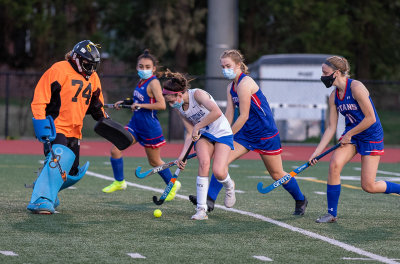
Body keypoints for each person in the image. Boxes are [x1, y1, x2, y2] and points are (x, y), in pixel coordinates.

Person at [190, 49, 308, 215]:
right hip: (245, 134)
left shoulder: (245, 84)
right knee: (221, 162)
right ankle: (209, 199)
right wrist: (220, 132)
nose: (225, 69)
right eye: (222, 66)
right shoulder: (231, 87)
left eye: (228, 65)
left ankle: (300, 199)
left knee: (276, 173)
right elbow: (229, 114)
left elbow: (243, 116)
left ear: (238, 65)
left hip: (265, 133)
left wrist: (227, 136)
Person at [309, 56, 400, 223]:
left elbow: (370, 118)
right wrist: (316, 153)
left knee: (369, 186)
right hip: (352, 134)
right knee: (334, 165)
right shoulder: (333, 96)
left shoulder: (357, 88)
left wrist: (349, 134)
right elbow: (331, 128)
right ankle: (331, 214)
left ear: (336, 72)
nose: (322, 75)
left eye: (325, 72)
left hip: (371, 135)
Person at [29, 40, 107, 214]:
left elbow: (96, 104)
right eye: (88, 63)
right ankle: (41, 199)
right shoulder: (59, 69)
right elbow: (40, 98)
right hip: (56, 127)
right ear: (77, 58)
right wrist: (42, 125)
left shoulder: (93, 78)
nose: (91, 68)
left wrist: (104, 119)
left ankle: (46, 186)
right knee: (59, 160)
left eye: (93, 65)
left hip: (75, 130)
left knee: (71, 172)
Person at [102, 50, 180, 201]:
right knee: (115, 150)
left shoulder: (154, 82)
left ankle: (172, 185)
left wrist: (141, 106)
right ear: (136, 67)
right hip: (135, 125)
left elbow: (161, 104)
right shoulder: (140, 82)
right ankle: (120, 182)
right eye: (141, 66)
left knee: (154, 162)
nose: (144, 69)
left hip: (149, 128)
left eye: (147, 66)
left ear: (153, 69)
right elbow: (138, 99)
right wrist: (125, 102)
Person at [162, 70, 236, 220]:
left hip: (222, 132)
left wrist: (198, 126)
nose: (171, 105)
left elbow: (216, 112)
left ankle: (229, 186)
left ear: (179, 94)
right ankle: (201, 210)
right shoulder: (179, 108)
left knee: (219, 172)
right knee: (203, 164)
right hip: (204, 135)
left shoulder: (197, 95)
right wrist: (182, 156)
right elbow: (190, 133)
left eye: (171, 101)